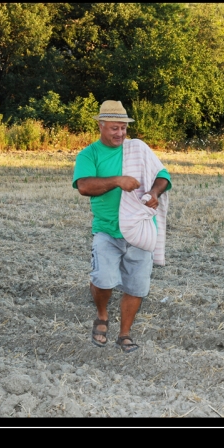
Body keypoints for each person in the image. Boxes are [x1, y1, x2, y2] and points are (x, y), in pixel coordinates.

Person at [72, 100, 171, 353]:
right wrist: (117, 181)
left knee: (136, 286)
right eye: (114, 128)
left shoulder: (138, 149)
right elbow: (83, 186)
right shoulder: (89, 154)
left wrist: (154, 192)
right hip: (107, 229)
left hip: (139, 228)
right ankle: (102, 315)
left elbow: (164, 176)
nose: (120, 133)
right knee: (103, 280)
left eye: (123, 128)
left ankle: (124, 334)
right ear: (101, 126)